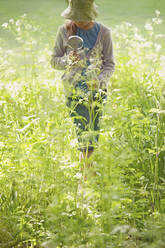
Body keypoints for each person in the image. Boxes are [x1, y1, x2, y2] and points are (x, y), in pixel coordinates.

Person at [51, 0, 115, 163]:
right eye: (75, 17)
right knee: (84, 139)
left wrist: (99, 80)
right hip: (74, 92)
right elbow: (54, 61)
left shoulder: (104, 33)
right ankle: (86, 179)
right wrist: (67, 60)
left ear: (90, 14)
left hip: (97, 94)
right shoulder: (64, 31)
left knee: (92, 136)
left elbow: (109, 64)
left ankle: (86, 177)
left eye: (82, 17)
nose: (78, 21)